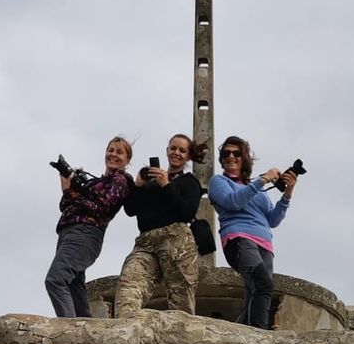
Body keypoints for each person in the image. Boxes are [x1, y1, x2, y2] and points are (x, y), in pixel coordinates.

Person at [207, 135, 297, 329]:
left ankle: (238, 336)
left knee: (254, 294)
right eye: (226, 153)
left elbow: (273, 219)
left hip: (265, 243)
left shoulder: (255, 189)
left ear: (244, 158)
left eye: (236, 153)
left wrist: (287, 193)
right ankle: (260, 335)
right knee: (263, 285)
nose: (231, 156)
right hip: (238, 239)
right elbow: (233, 201)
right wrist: (263, 180)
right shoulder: (219, 182)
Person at [115, 134, 206, 317]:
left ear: (188, 156)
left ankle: (184, 343)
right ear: (166, 150)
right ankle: (127, 336)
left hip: (176, 240)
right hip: (146, 242)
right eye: (173, 148)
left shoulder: (189, 182)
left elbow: (186, 213)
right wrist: (139, 185)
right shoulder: (151, 183)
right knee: (128, 287)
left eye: (182, 150)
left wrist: (167, 185)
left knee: (181, 301)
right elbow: (130, 209)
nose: (176, 153)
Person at [45, 136, 132, 318]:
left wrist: (72, 192)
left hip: (85, 234)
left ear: (127, 160)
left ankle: (69, 334)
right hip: (69, 233)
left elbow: (101, 209)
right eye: (110, 150)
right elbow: (65, 205)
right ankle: (85, 331)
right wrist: (70, 186)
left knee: (56, 279)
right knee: (74, 286)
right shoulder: (95, 183)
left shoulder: (120, 181)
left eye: (119, 152)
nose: (113, 154)